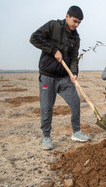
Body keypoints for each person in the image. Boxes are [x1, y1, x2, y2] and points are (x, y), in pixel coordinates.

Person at [30, 6, 90, 150]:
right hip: (47, 76)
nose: (76, 25)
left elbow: (74, 58)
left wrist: (74, 73)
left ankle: (76, 132)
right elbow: (34, 38)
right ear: (67, 16)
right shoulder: (53, 26)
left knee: (76, 102)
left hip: (64, 77)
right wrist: (53, 50)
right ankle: (46, 136)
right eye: (75, 21)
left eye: (79, 23)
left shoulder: (76, 37)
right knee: (46, 108)